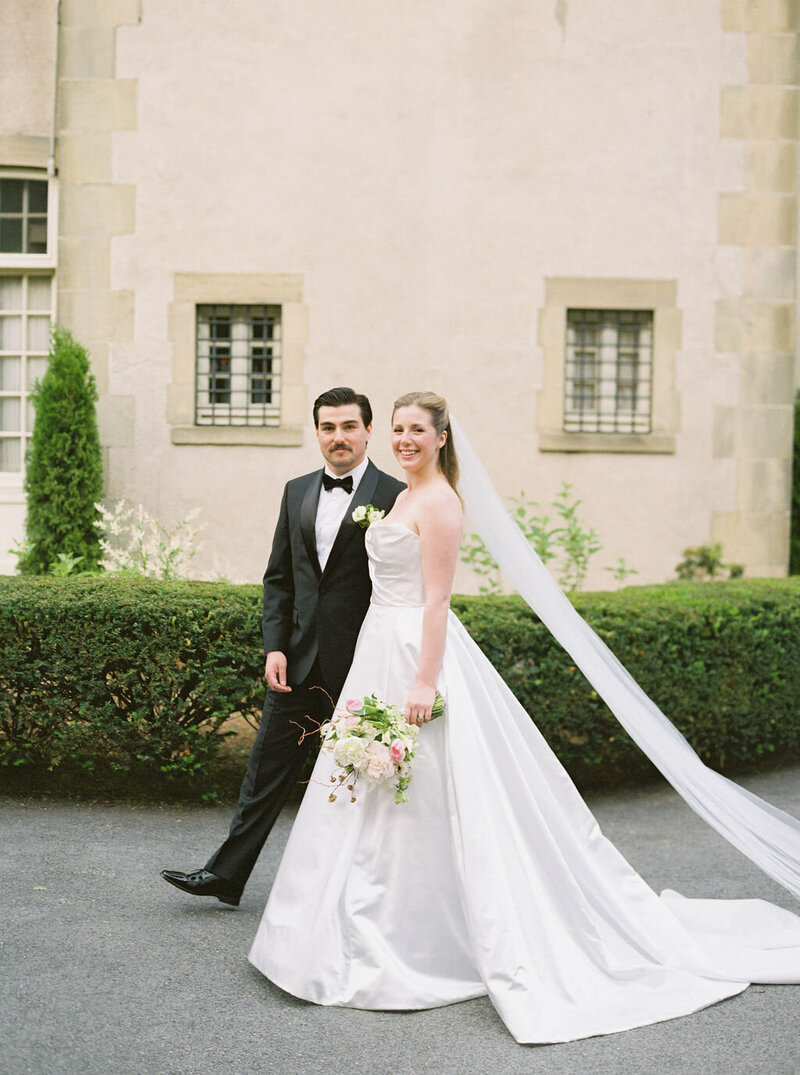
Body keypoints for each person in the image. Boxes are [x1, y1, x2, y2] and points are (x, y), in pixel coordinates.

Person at [248, 391, 800, 1044]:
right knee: (374, 787)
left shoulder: (443, 503)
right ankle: (345, 920)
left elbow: (437, 601)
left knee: (426, 788)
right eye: (396, 429)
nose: (402, 439)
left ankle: (415, 933)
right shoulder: (399, 496)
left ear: (442, 437)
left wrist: (424, 681)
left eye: (415, 430)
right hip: (379, 647)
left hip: (415, 658)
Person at [161, 387, 404, 906]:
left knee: (365, 775)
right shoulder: (296, 492)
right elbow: (280, 579)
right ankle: (225, 875)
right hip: (294, 660)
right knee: (265, 771)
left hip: (361, 664)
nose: (338, 437)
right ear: (316, 432)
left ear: (367, 431)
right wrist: (275, 646)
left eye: (348, 427)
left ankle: (368, 888)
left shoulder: (396, 495)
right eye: (327, 428)